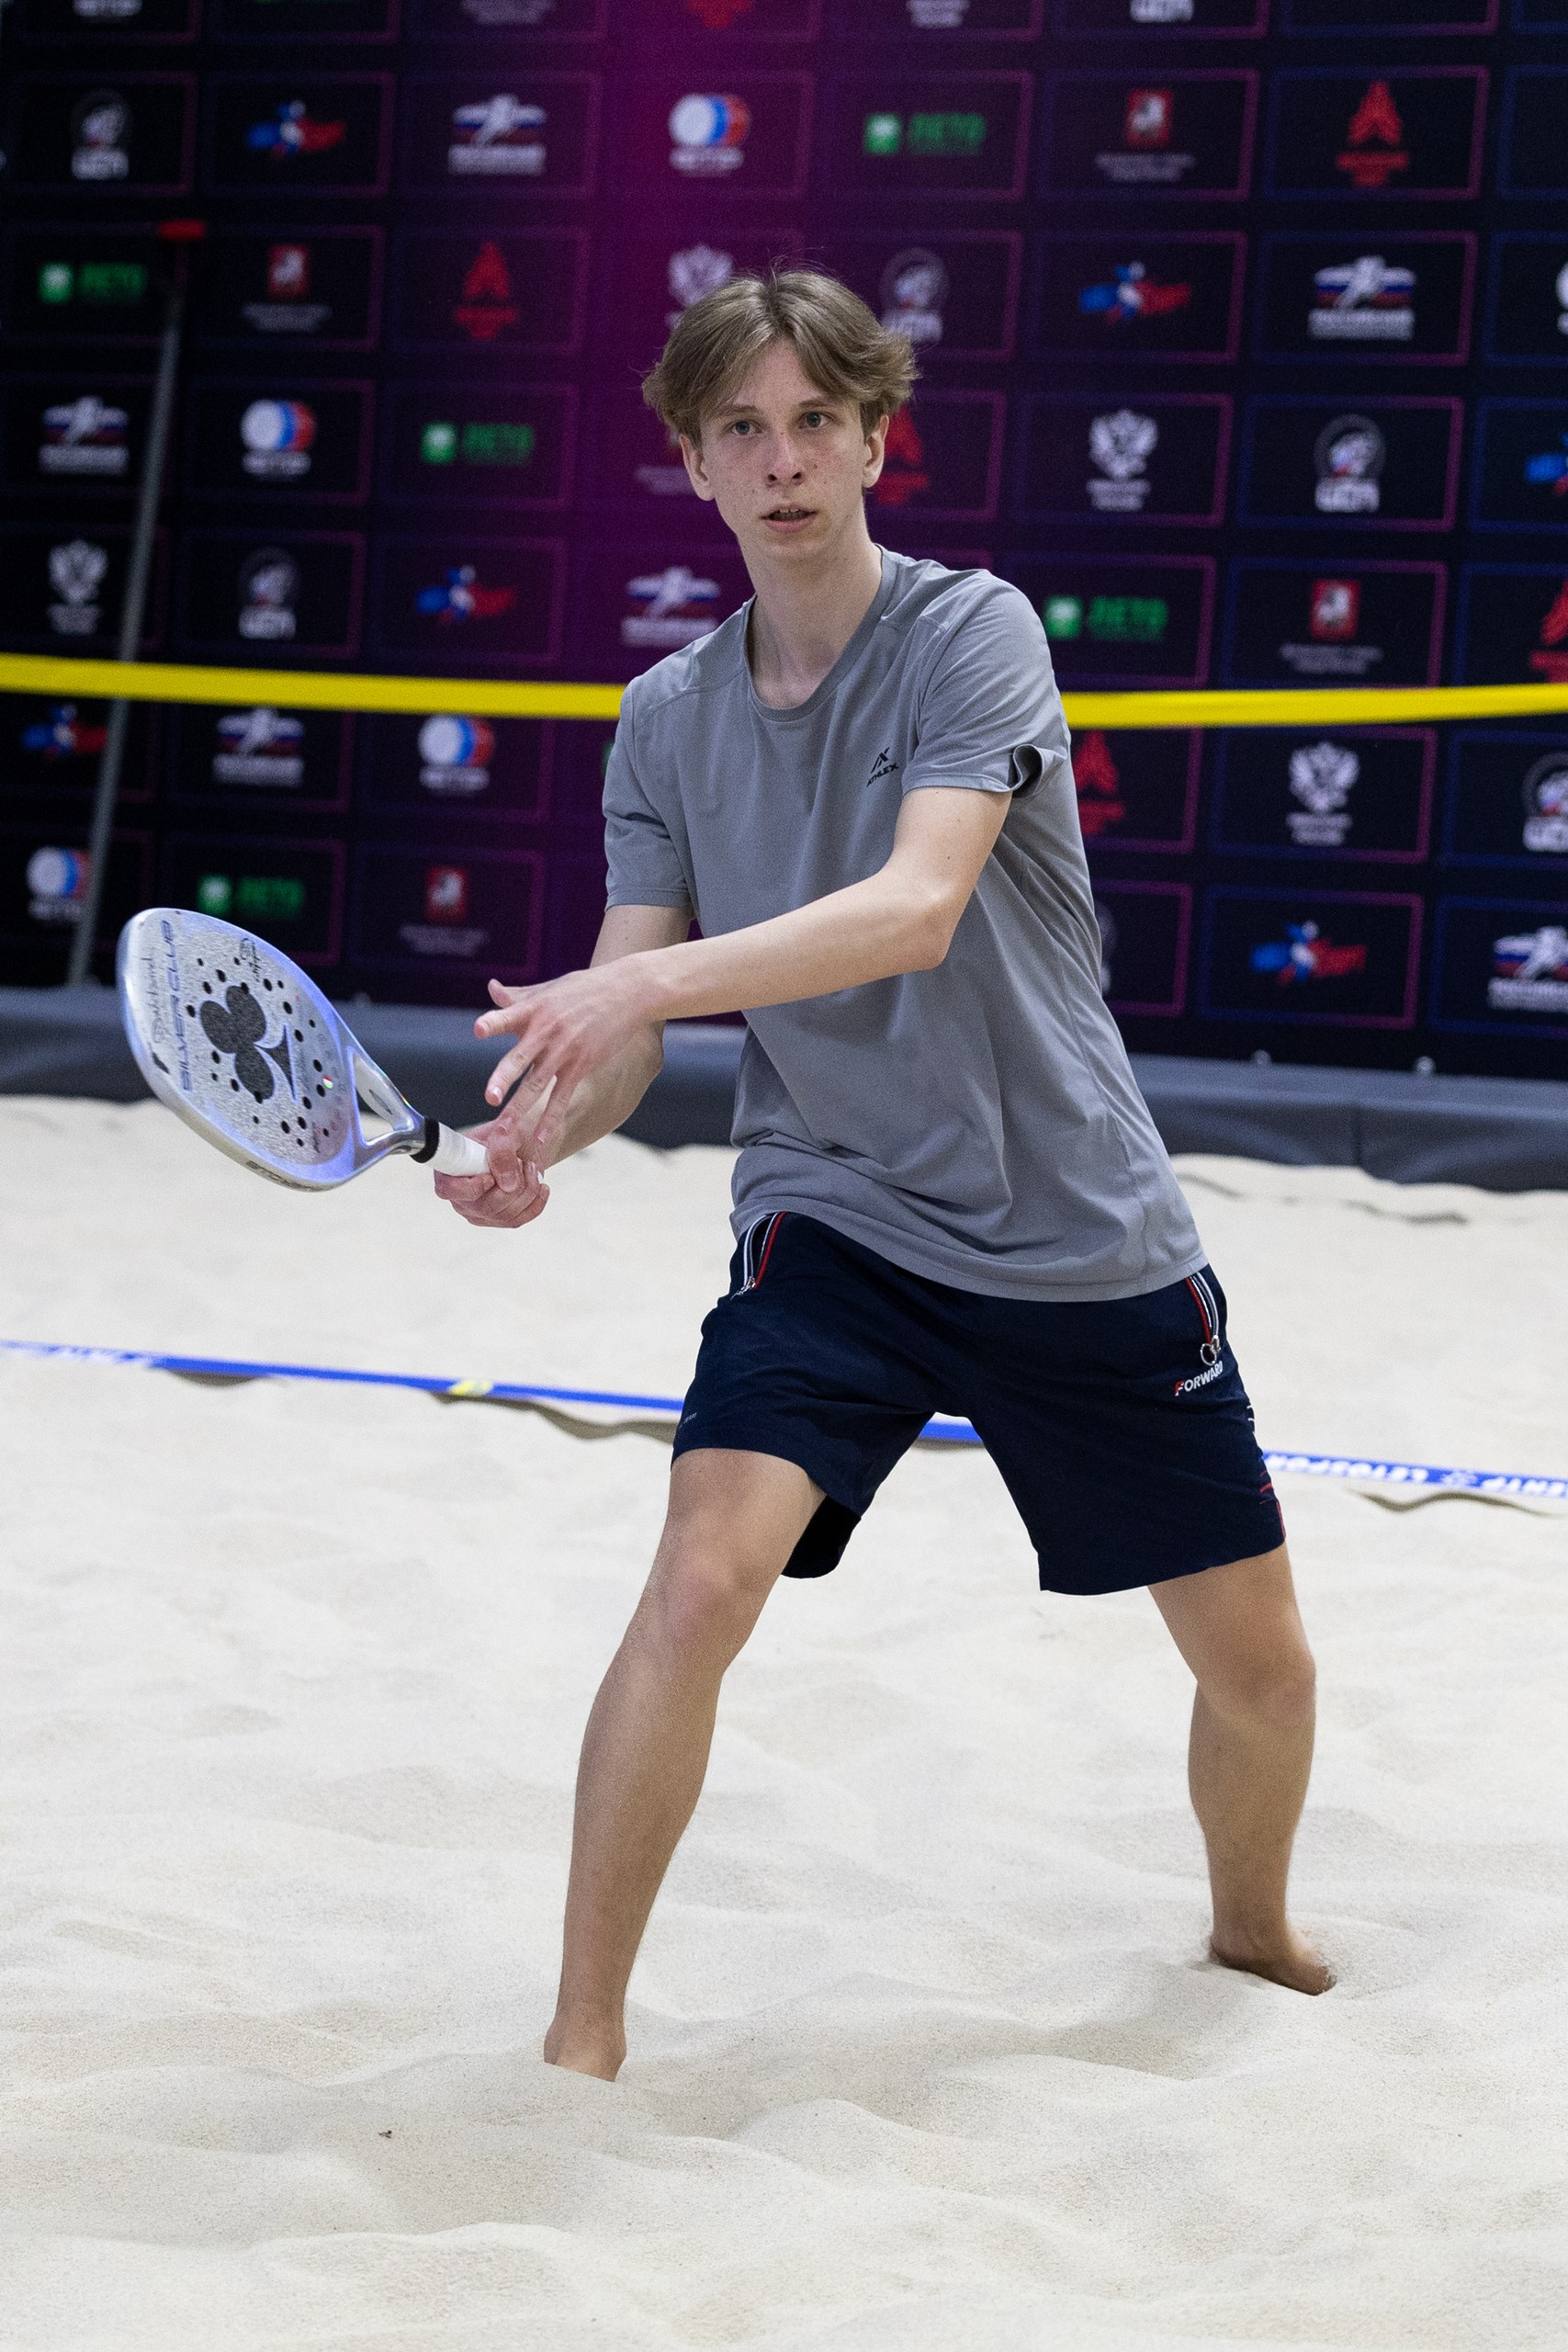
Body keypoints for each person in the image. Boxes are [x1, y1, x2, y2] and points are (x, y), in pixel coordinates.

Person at [436, 269, 1332, 2083]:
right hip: (832, 1209)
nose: (782, 461)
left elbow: (914, 909)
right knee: (700, 1582)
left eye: (814, 422)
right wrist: (540, 1133)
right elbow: (618, 1030)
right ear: (693, 461)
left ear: (870, 439)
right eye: (741, 429)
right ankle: (581, 2038)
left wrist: (638, 992)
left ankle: (1247, 1922)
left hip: (1071, 1223)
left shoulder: (971, 631)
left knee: (1261, 1670)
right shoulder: (666, 717)